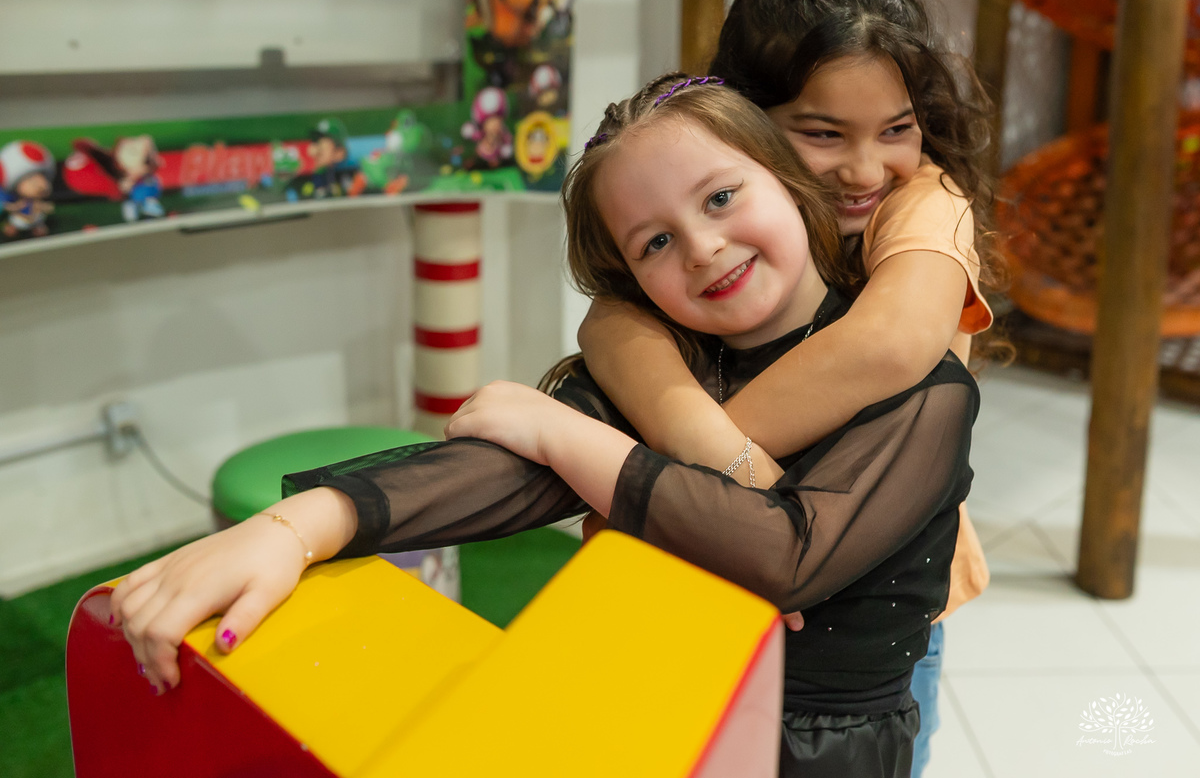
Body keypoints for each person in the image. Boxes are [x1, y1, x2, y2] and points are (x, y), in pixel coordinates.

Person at [111, 73, 978, 777]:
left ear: (789, 184)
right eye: (654, 244)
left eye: (720, 197)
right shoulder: (668, 362)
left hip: (821, 753)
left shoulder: (924, 392)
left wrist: (567, 434)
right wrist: (299, 524)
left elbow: (786, 554)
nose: (703, 247)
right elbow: (502, 470)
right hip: (659, 714)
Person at [575, 0, 1004, 773]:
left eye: (897, 130)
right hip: (720, 586)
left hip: (869, 613)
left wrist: (675, 463)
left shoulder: (921, 200)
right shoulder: (720, 216)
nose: (865, 168)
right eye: (823, 133)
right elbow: (612, 320)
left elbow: (891, 343)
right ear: (746, 124)